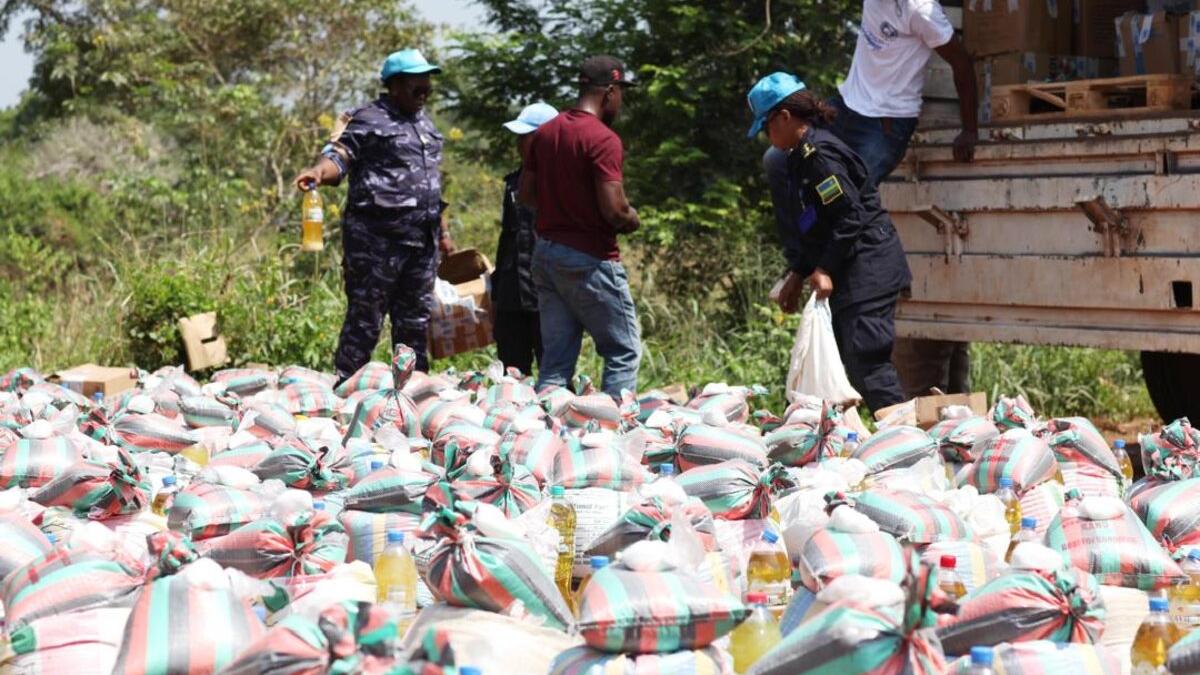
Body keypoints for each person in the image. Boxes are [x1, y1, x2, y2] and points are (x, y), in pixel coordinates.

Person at [767, 0, 977, 399]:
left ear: (782, 119)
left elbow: (962, 64)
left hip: (886, 123)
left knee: (846, 205)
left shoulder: (920, 11)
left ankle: (823, 268)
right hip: (849, 108)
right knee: (780, 164)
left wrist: (969, 130)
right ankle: (801, 265)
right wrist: (803, 265)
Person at [748, 72, 911, 413]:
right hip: (853, 267)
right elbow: (816, 224)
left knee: (868, 365)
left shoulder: (819, 157)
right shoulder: (799, 158)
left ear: (784, 117)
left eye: (767, 126)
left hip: (869, 265)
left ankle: (905, 448)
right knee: (850, 367)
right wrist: (798, 273)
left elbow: (849, 216)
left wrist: (823, 269)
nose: (767, 135)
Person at [292, 49, 453, 380]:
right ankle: (348, 390)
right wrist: (319, 173)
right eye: (416, 84)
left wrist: (445, 233)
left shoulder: (425, 123)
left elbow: (432, 183)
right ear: (394, 85)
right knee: (366, 320)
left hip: (422, 245)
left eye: (427, 83)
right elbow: (339, 156)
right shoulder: (369, 118)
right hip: (376, 244)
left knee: (415, 324)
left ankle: (410, 393)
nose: (424, 90)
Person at [518, 55, 641, 399]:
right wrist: (633, 218)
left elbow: (526, 193)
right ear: (610, 91)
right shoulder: (603, 139)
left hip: (546, 256)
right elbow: (614, 210)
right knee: (622, 351)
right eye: (621, 94)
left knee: (555, 363)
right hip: (591, 259)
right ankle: (613, 435)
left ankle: (539, 437)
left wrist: (562, 209)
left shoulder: (545, 133)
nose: (621, 102)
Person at [493, 102, 559, 376]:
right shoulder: (514, 183)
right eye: (519, 138)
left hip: (548, 294)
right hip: (512, 294)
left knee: (554, 374)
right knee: (512, 374)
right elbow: (507, 239)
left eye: (526, 137)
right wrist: (496, 292)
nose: (520, 144)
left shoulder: (563, 182)